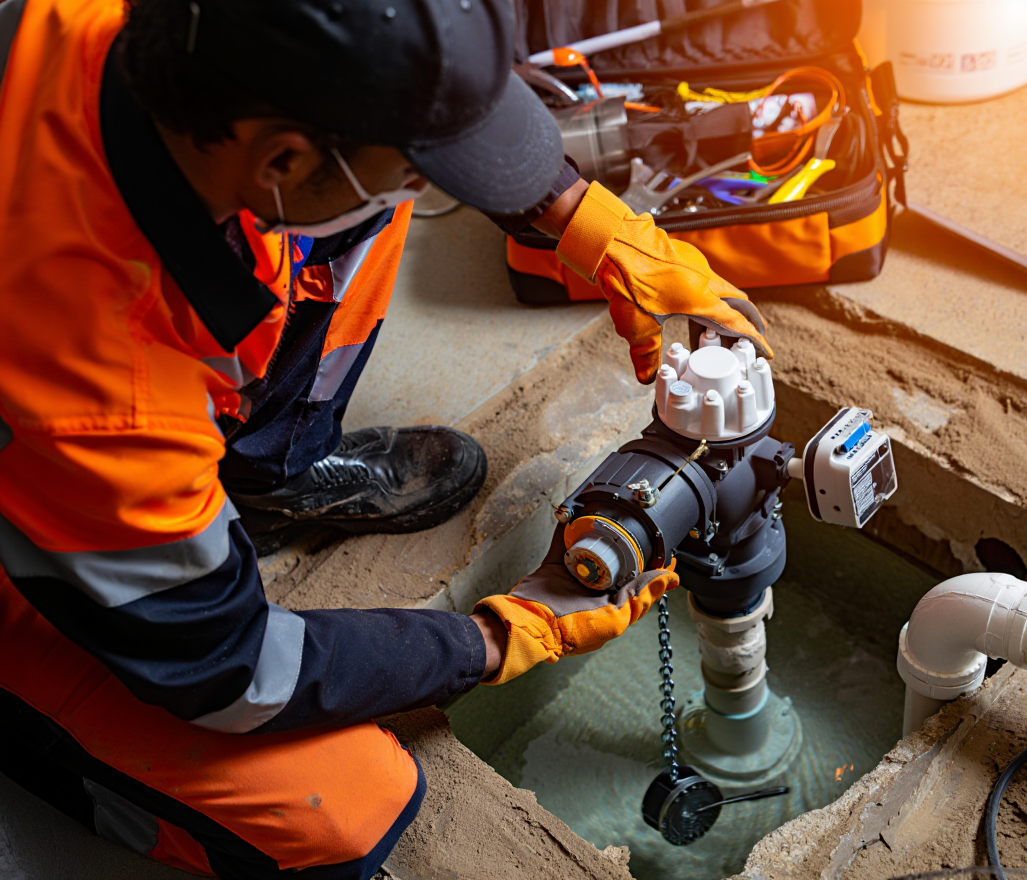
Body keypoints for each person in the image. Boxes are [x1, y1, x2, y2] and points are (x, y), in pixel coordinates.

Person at [0, 0, 773, 876]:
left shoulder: (187, 49)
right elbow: (227, 671)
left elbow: (410, 80)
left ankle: (269, 467)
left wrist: (576, 219)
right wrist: (495, 636)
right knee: (344, 811)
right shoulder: (103, 386)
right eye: (416, 167)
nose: (429, 185)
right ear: (281, 157)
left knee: (362, 206)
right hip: (29, 545)